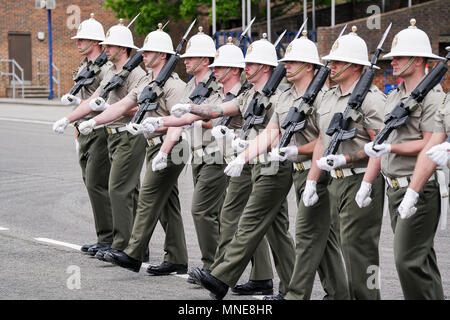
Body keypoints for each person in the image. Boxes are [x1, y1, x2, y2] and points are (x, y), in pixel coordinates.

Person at [171, 34, 295, 300]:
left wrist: (242, 147)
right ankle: (223, 274)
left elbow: (279, 134)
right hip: (248, 163)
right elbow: (219, 110)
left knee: (274, 230)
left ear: (265, 67)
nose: (245, 67)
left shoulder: (280, 97)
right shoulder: (249, 93)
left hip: (271, 166)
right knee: (230, 216)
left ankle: (288, 287)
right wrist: (191, 108)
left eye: (251, 63)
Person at [70, 24, 188, 273]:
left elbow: (180, 122)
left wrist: (165, 151)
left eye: (148, 52)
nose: (142, 55)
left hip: (170, 145)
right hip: (152, 143)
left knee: (144, 198)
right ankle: (176, 258)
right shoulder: (146, 79)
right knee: (167, 204)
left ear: (163, 56)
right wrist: (87, 119)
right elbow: (121, 105)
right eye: (143, 51)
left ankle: (130, 252)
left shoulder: (175, 85)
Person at [360, 19, 446, 299]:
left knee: (407, 261)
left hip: (418, 187)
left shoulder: (433, 97)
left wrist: (391, 150)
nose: (392, 62)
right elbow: (383, 140)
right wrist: (367, 181)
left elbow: (431, 141)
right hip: (394, 187)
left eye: (400, 57)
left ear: (419, 60)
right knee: (420, 259)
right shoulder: (395, 95)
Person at [53, 19, 147, 260]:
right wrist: (70, 117)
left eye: (111, 45)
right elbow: (93, 98)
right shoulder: (110, 71)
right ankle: (115, 241)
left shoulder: (132, 73)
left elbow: (138, 107)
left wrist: (101, 112)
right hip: (100, 130)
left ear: (123, 48)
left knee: (116, 188)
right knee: (111, 187)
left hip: (119, 133)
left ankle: (123, 244)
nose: (107, 49)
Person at [265, 32, 349, 300]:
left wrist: (300, 154)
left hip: (319, 173)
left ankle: (295, 294)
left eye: (293, 61)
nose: (286, 65)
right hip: (298, 172)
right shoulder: (287, 94)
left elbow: (326, 140)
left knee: (306, 235)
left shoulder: (324, 97)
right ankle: (339, 293)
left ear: (309, 66)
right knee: (323, 240)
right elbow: (275, 130)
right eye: (286, 61)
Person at [305, 26, 385, 300]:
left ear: (354, 66)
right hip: (335, 182)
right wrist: (312, 180)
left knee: (359, 252)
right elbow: (319, 140)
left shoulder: (372, 99)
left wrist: (366, 184)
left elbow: (379, 147)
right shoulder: (327, 96)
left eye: (337, 62)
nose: (331, 66)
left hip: (360, 178)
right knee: (340, 246)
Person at [53, 13, 113, 256]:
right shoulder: (85, 67)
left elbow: (105, 99)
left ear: (96, 42)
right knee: (92, 185)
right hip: (84, 129)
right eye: (77, 39)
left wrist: (78, 112)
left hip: (99, 129)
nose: (77, 43)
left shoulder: (106, 67)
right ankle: (105, 236)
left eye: (83, 39)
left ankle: (110, 238)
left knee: (98, 184)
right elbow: (85, 98)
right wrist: (76, 117)